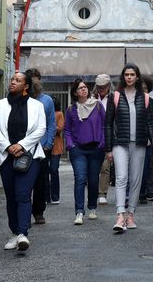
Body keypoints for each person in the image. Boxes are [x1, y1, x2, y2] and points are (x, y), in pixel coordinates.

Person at [0, 70, 47, 252]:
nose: (13, 82)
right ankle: (14, 232)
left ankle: (23, 233)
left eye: (18, 80)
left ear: (26, 86)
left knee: (23, 194)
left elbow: (41, 129)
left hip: (29, 156)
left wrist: (20, 145)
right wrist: (8, 146)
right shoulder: (0, 105)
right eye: (12, 79)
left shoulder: (36, 106)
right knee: (11, 196)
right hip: (6, 156)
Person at [105, 63, 152, 233]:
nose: (129, 77)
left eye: (132, 74)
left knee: (136, 179)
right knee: (121, 177)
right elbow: (108, 124)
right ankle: (119, 214)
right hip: (120, 143)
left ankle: (130, 214)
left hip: (139, 143)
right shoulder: (115, 97)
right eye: (127, 74)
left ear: (137, 77)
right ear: (123, 77)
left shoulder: (145, 98)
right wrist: (108, 148)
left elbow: (149, 123)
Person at [64, 77, 105, 225]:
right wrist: (70, 146)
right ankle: (79, 212)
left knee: (93, 180)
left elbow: (105, 126)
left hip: (95, 149)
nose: (83, 89)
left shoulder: (98, 106)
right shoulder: (71, 109)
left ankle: (92, 207)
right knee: (80, 179)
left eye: (85, 87)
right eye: (80, 88)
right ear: (75, 92)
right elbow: (67, 130)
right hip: (78, 150)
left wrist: (102, 143)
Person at [27, 68, 56, 225]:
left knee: (41, 181)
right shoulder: (22, 98)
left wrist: (48, 143)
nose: (32, 81)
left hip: (42, 146)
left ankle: (39, 212)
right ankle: (24, 210)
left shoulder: (47, 100)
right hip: (25, 147)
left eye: (34, 78)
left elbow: (51, 123)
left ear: (39, 79)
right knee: (25, 181)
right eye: (29, 78)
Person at [139, 74, 153, 204]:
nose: (143, 90)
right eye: (141, 88)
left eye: (145, 88)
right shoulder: (132, 103)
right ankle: (139, 192)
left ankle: (149, 192)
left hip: (150, 139)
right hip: (136, 139)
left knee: (151, 166)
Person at [94, 74, 112, 205]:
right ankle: (93, 191)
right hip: (93, 135)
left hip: (107, 134)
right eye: (99, 87)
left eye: (104, 87)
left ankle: (102, 192)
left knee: (105, 166)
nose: (101, 90)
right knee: (93, 166)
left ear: (109, 86)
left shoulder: (114, 98)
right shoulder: (91, 98)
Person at [48, 97, 65, 204]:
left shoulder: (59, 114)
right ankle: (45, 196)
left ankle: (55, 196)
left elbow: (60, 128)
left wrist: (49, 126)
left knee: (54, 170)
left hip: (56, 145)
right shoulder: (45, 112)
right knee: (44, 171)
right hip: (45, 145)